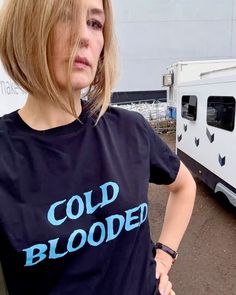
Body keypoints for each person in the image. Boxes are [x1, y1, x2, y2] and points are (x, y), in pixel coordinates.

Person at [0, 0, 196, 294]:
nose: (85, 37)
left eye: (94, 23)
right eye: (64, 18)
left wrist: (165, 257)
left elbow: (184, 186)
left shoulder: (129, 128)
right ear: (26, 29)